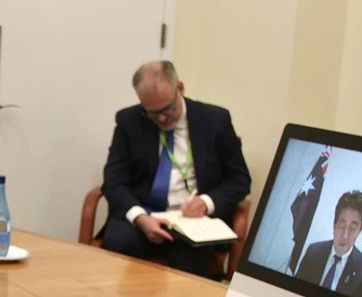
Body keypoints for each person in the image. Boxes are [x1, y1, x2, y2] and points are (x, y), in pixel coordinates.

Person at [99, 60, 251, 276]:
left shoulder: (215, 120)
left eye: (167, 109)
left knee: (192, 257)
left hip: (192, 221)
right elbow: (114, 181)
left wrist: (206, 203)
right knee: (119, 243)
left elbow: (239, 179)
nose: (161, 118)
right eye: (152, 113)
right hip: (143, 215)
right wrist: (140, 217)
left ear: (180, 88)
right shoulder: (129, 121)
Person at [295, 190, 362, 297]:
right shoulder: (313, 252)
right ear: (334, 224)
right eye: (342, 225)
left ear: (360, 229)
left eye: (352, 228)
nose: (345, 236)